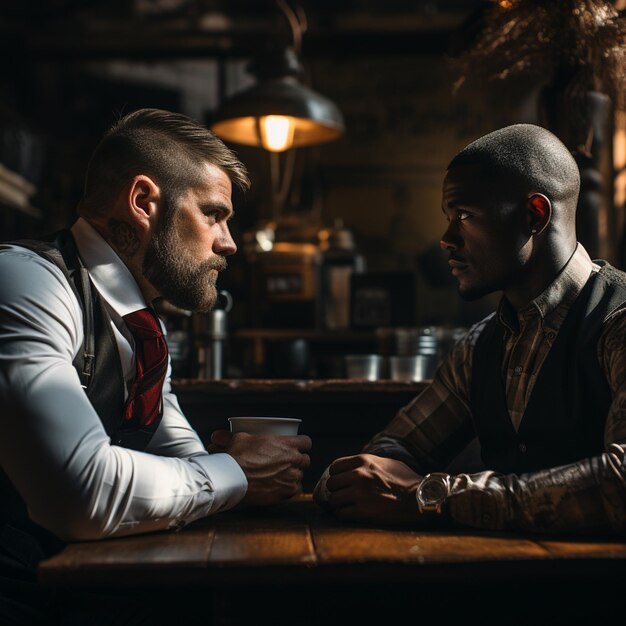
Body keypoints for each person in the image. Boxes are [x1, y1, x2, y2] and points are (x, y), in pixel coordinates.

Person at [0, 108, 312, 623]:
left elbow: (185, 460)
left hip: (67, 586)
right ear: (145, 202)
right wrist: (236, 472)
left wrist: (242, 476)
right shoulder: (27, 284)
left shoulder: (144, 330)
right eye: (214, 214)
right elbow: (84, 492)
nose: (228, 243)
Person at [314, 123, 626, 535]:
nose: (445, 239)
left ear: (535, 214)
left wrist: (429, 498)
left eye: (464, 215)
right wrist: (352, 481)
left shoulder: (616, 322)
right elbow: (396, 450)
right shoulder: (482, 345)